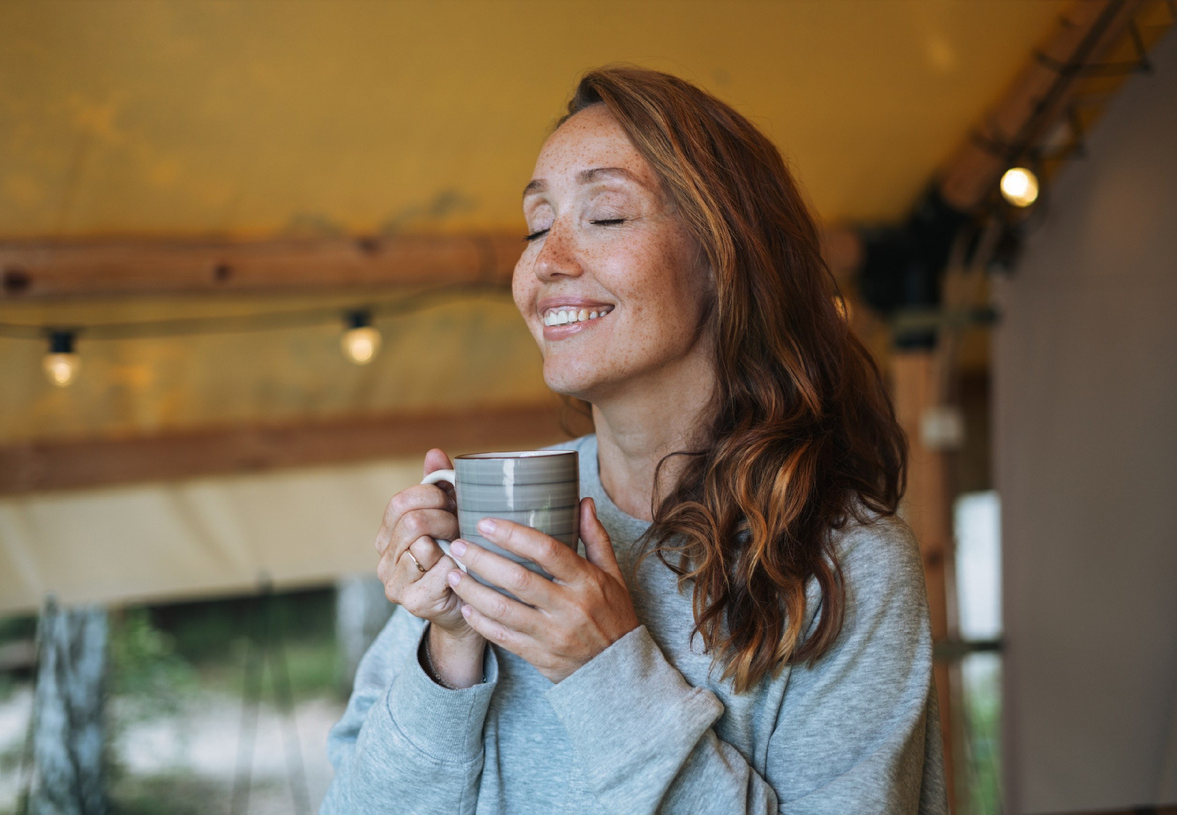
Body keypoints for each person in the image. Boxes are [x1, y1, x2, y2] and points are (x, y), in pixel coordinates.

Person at [323, 66, 947, 814]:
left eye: (606, 215)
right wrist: (448, 651)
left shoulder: (845, 561)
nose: (543, 261)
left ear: (726, 256)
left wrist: (607, 671)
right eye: (535, 224)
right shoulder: (493, 515)